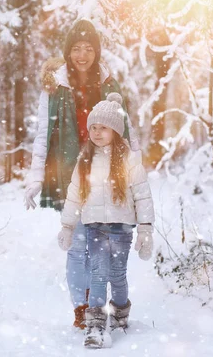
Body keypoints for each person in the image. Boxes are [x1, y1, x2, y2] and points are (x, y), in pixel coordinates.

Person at [24, 19, 140, 329]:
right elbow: (42, 133)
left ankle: (96, 305)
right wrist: (36, 177)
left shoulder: (109, 85)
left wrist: (134, 168)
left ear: (97, 51)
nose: (82, 55)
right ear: (68, 51)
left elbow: (126, 131)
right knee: (77, 244)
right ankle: (82, 306)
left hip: (102, 173)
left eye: (89, 48)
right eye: (76, 48)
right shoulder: (55, 86)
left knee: (98, 243)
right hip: (65, 174)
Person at [57, 92, 154, 348]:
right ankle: (96, 326)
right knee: (98, 275)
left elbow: (142, 195)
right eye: (94, 128)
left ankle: (120, 315)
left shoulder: (129, 160)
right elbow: (74, 195)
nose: (97, 133)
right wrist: (67, 226)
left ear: (116, 131)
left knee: (117, 276)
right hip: (94, 227)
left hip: (122, 228)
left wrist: (145, 229)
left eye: (104, 128)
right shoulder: (85, 161)